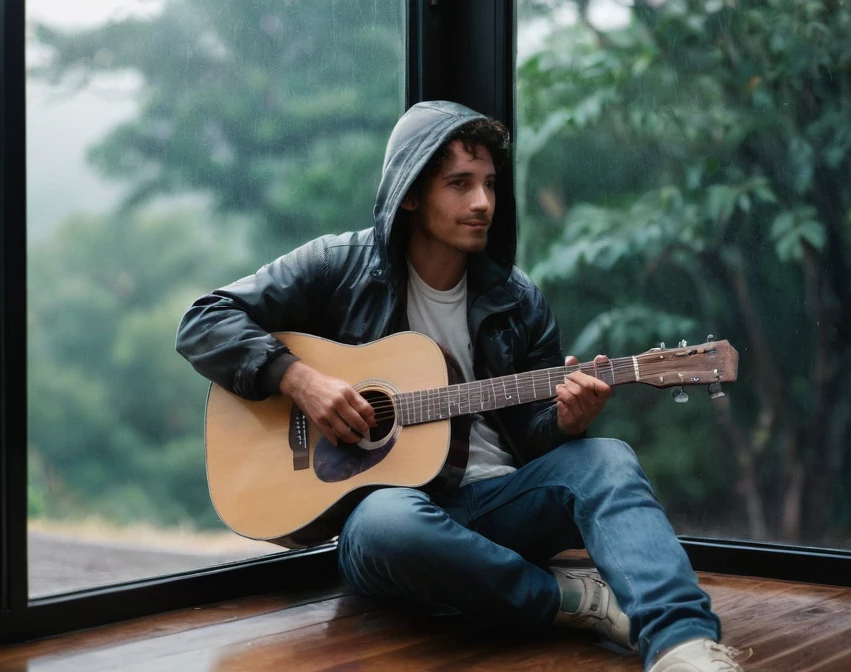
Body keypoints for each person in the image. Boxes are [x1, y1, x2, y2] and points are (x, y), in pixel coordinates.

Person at [176, 101, 749, 671]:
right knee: (383, 523)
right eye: (459, 184)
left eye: (490, 185)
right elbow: (203, 320)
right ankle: (575, 599)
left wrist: (567, 422)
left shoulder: (519, 301)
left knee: (607, 458)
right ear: (410, 193)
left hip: (502, 505)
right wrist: (299, 380)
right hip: (400, 524)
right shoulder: (337, 266)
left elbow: (534, 440)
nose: (482, 204)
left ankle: (684, 644)